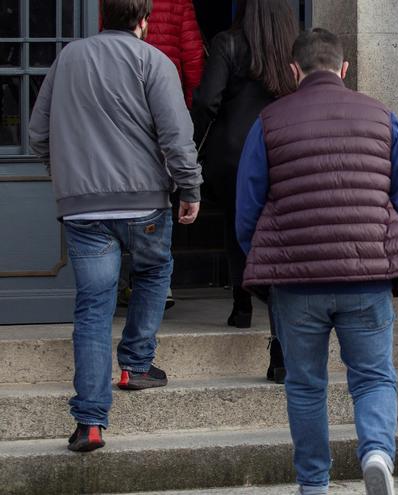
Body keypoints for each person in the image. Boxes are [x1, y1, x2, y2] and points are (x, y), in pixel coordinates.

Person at [236, 28, 398, 495]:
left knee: (305, 386)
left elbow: (248, 210)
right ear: (345, 69)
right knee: (373, 377)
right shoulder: (383, 117)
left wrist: (269, 263)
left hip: (296, 284)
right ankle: (378, 453)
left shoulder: (268, 121)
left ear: (293, 70)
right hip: (367, 279)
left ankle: (313, 485)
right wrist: (383, 256)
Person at [28, 0, 202, 452]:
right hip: (144, 204)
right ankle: (136, 365)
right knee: (154, 272)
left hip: (83, 210)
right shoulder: (154, 61)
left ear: (102, 18)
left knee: (93, 308)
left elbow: (36, 135)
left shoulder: (68, 57)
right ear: (143, 21)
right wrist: (190, 189)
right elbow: (176, 136)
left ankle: (89, 424)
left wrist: (64, 173)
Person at [191, 0, 297, 384]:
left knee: (240, 224)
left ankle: (241, 305)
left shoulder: (228, 43)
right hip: (284, 150)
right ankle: (281, 348)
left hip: (234, 152)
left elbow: (207, 99)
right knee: (280, 241)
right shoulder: (296, 48)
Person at [143, 0, 204, 108]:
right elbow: (193, 57)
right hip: (166, 95)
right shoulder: (180, 2)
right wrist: (191, 106)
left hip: (125, 93)